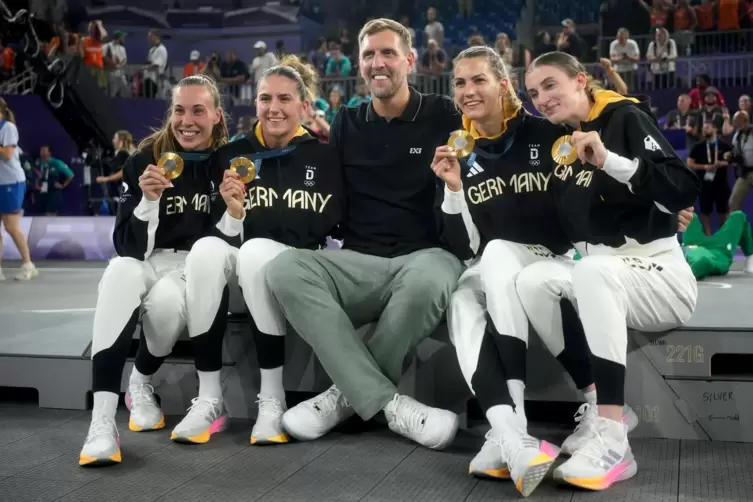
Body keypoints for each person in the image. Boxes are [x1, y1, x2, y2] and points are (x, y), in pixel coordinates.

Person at [432, 45, 637, 497]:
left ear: (503, 85)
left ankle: (516, 426)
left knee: (501, 252)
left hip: (557, 262)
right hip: (494, 269)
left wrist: (661, 217)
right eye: (460, 83)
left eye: (479, 79)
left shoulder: (547, 134)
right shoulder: (459, 152)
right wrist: (452, 190)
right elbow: (464, 246)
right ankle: (510, 433)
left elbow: (598, 179)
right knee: (463, 296)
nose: (468, 90)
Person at [264, 18, 464, 450]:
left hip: (427, 255)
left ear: (410, 60)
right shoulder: (347, 120)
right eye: (370, 54)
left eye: (388, 52)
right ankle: (391, 405)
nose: (378, 63)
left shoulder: (445, 113)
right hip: (359, 262)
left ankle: (344, 397)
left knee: (428, 280)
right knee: (284, 267)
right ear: (360, 63)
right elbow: (328, 198)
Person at [517, 51, 700, 490]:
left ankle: (615, 440)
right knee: (532, 280)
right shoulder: (561, 143)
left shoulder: (623, 119)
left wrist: (611, 163)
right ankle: (598, 404)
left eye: (550, 85)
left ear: (580, 80)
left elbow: (683, 187)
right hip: (602, 271)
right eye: (534, 92)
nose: (542, 98)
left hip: (660, 274)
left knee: (593, 270)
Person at [175, 55, 342, 445]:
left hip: (301, 272)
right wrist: (233, 214)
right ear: (256, 105)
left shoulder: (325, 156)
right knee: (205, 251)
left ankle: (272, 398)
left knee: (255, 251)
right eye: (266, 99)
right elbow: (220, 234)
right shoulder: (230, 157)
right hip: (245, 272)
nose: (274, 108)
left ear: (304, 106)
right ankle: (209, 397)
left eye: (285, 99)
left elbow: (341, 227)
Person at [79, 75, 229, 466]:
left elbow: (225, 245)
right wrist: (147, 202)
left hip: (194, 268)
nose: (187, 120)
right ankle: (101, 425)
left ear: (216, 115)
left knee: (164, 303)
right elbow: (128, 247)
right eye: (179, 110)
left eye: (199, 110)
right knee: (119, 273)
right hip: (146, 259)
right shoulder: (143, 161)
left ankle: (140, 381)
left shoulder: (229, 164)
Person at [0, 97, 37, 280]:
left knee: (11, 227)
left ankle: (28, 265)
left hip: (11, 183)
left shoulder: (8, 128)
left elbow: (7, 154)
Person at [682, 210, 753, 278]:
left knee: (688, 215)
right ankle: (751, 257)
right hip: (719, 252)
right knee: (738, 216)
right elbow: (701, 264)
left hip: (693, 245)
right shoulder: (701, 261)